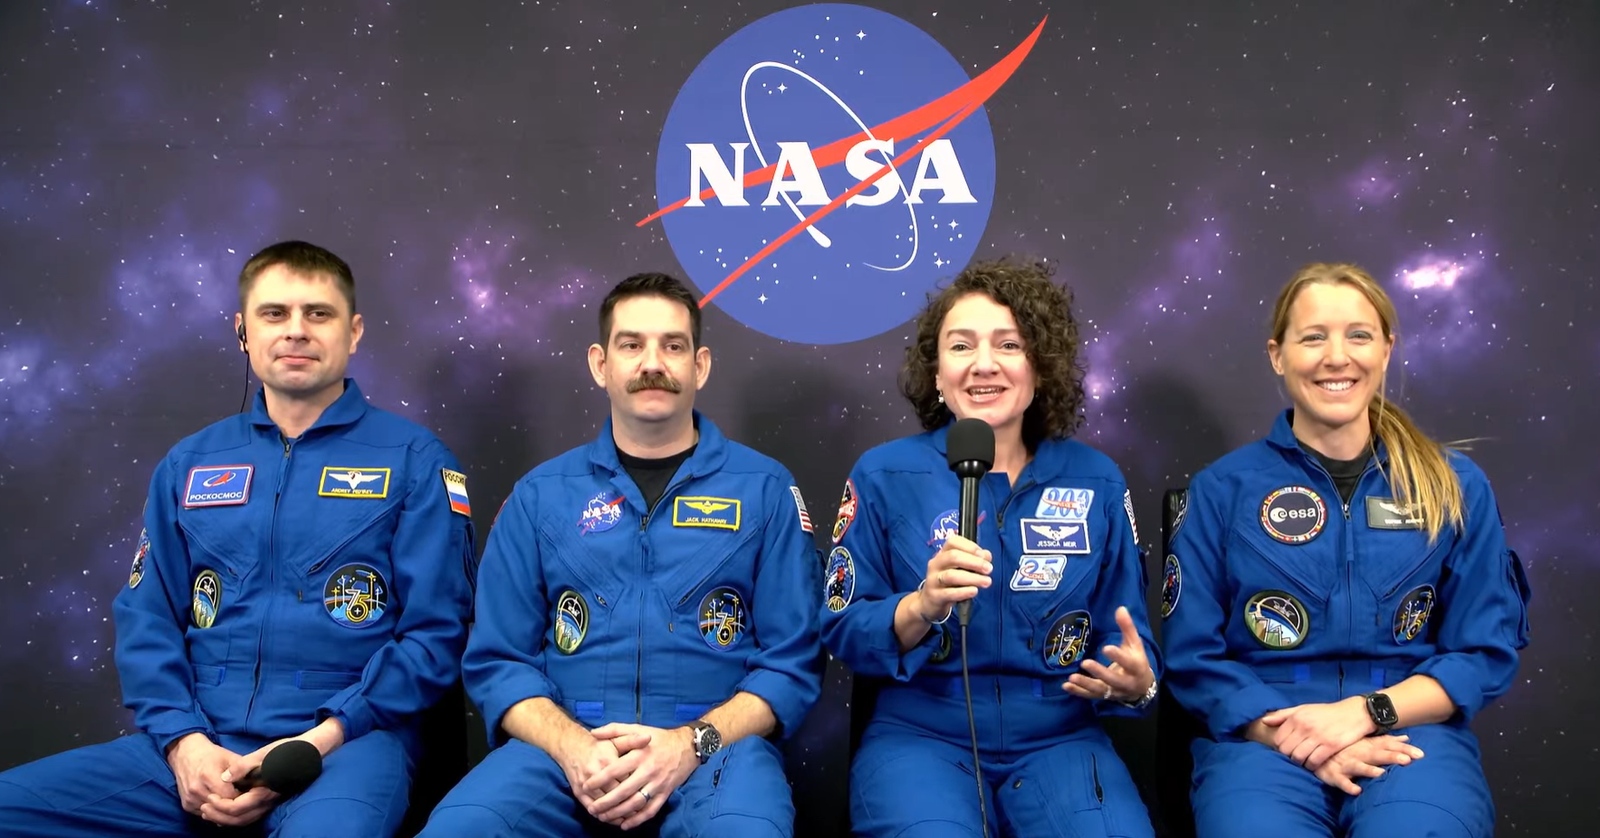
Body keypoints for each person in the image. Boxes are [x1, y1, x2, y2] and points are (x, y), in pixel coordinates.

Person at [0, 241, 479, 836]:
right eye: (274, 314)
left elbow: (435, 635)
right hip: (199, 743)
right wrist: (184, 744)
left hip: (345, 744)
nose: (296, 332)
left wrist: (317, 741)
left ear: (354, 332)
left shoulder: (413, 461)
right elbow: (147, 619)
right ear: (243, 331)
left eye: (319, 314)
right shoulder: (192, 464)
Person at [415, 272, 823, 838]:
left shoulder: (764, 490)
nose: (652, 363)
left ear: (699, 366)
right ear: (599, 363)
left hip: (715, 754)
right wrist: (574, 747)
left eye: (672, 346)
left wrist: (688, 743)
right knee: (460, 829)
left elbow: (791, 664)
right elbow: (497, 661)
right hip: (563, 753)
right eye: (631, 344)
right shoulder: (540, 496)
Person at [1161, 262, 1532, 837]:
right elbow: (1194, 659)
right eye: (1313, 337)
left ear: (1386, 350)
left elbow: (1482, 650)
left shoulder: (1453, 487)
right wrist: (1306, 739)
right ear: (1277, 355)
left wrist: (1366, 713)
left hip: (1410, 733)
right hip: (1266, 737)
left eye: (1358, 335)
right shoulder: (1221, 491)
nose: (1338, 356)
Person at [820, 257, 1160, 838]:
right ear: (935, 373)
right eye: (961, 346)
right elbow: (841, 627)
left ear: (1040, 367)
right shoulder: (883, 475)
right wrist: (920, 605)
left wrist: (1136, 684)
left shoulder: (1097, 480)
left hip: (1061, 737)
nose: (984, 365)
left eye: (1009, 345)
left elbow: (1128, 638)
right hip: (921, 735)